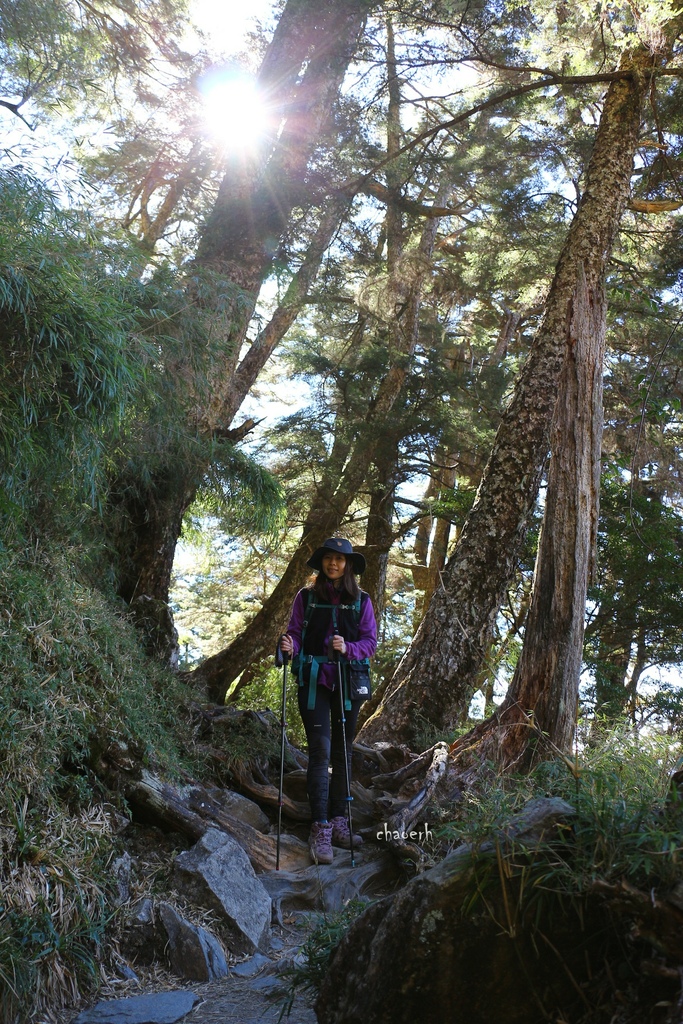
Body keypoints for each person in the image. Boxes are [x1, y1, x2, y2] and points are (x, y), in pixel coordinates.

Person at [280, 537, 377, 865]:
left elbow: (370, 642)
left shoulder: (362, 601)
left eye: (340, 559)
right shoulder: (305, 598)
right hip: (314, 681)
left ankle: (339, 822)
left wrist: (348, 648)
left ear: (348, 565)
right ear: (322, 563)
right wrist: (289, 645)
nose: (333, 564)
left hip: (348, 685)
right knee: (321, 751)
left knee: (343, 753)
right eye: (329, 559)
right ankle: (319, 827)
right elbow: (295, 632)